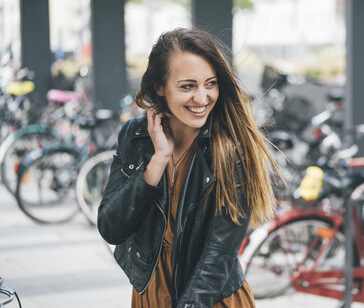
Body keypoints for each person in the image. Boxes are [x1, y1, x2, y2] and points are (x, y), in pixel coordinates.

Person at [97, 27, 280, 308]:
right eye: (187, 86)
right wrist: (156, 162)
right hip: (149, 296)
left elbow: (216, 259)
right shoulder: (136, 136)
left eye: (210, 83)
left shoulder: (230, 150)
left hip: (209, 300)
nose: (202, 97)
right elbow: (111, 227)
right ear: (159, 87)